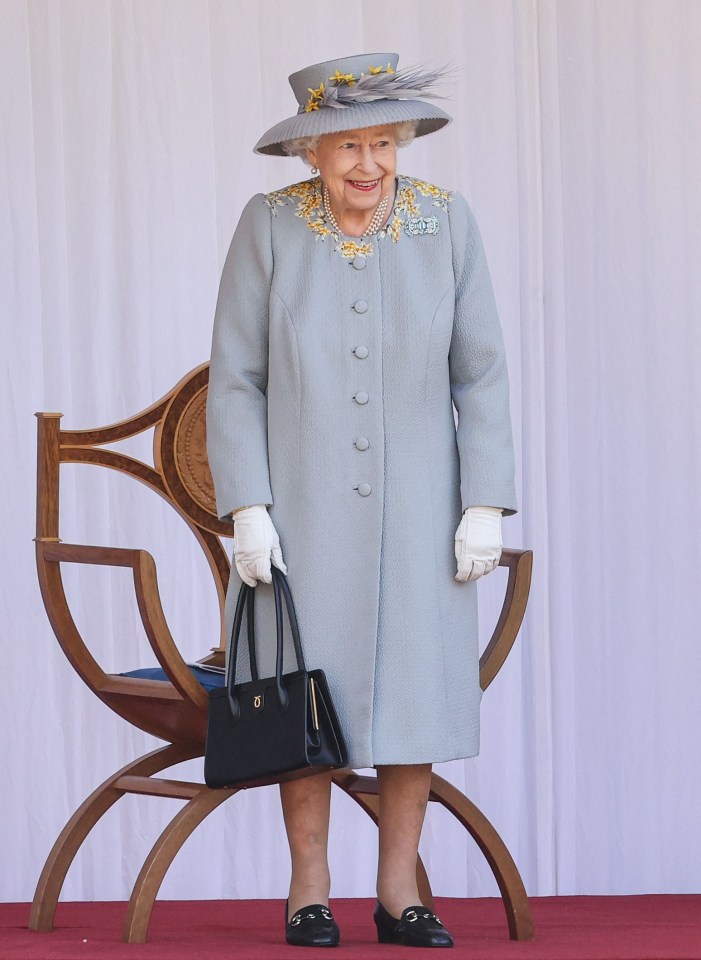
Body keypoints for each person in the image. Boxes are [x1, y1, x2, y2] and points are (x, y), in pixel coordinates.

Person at [206, 52, 517, 949]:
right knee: (310, 696)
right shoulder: (268, 227)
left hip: (424, 509)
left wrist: (484, 501)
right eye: (347, 147)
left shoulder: (445, 223)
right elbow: (237, 380)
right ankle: (310, 889)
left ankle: (397, 894)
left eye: (384, 143)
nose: (368, 165)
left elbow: (482, 372)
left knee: (412, 697)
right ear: (310, 154)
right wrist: (247, 505)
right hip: (298, 511)